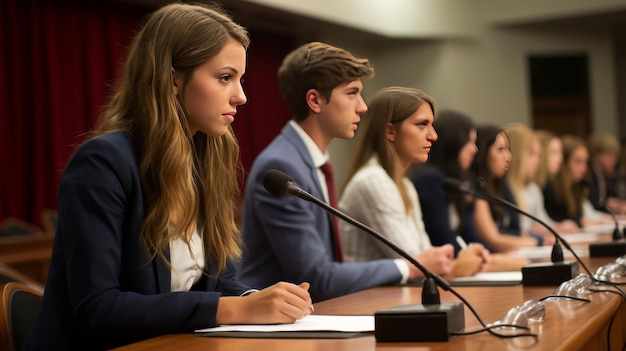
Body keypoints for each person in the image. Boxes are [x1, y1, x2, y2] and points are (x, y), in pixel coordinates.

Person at [24, 4, 312, 350]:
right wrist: (234, 308)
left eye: (241, 79)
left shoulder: (205, 160)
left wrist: (264, 301)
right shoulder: (103, 163)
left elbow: (220, 283)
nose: (241, 96)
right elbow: (98, 311)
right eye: (225, 77)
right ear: (173, 79)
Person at [238, 42, 426, 302]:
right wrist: (408, 266)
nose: (363, 107)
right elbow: (316, 278)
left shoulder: (307, 160)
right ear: (315, 100)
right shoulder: (283, 164)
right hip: (272, 328)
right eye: (352, 93)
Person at [338, 87, 487, 279]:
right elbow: (419, 266)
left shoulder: (405, 186)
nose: (433, 136)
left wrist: (461, 261)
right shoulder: (373, 181)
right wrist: (461, 264)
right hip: (369, 303)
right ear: (390, 131)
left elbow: (426, 256)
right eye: (422, 124)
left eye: (432, 125)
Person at [411, 111, 529, 271]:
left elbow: (469, 235)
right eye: (469, 142)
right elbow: (443, 237)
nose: (474, 149)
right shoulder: (430, 180)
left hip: (460, 265)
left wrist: (484, 255)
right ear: (454, 144)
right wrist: (488, 261)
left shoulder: (460, 183)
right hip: (443, 268)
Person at [471, 124, 544, 252]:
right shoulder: (476, 188)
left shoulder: (501, 186)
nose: (508, 157)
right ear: (483, 151)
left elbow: (515, 229)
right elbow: (494, 240)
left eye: (508, 149)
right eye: (500, 150)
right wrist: (539, 241)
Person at [504, 123, 578, 236]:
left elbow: (543, 222)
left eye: (538, 155)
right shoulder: (504, 190)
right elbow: (515, 231)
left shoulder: (533, 188)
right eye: (531, 154)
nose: (537, 160)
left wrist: (558, 226)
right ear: (517, 154)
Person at [543, 135, 611, 227]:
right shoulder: (549, 188)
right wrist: (580, 223)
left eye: (585, 162)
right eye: (578, 161)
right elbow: (561, 221)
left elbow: (581, 218)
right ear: (564, 162)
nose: (584, 168)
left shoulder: (577, 187)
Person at [587, 133, 626, 214]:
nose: (614, 159)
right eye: (610, 154)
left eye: (615, 155)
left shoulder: (603, 173)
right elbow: (591, 202)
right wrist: (607, 204)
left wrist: (615, 203)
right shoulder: (588, 173)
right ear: (596, 154)